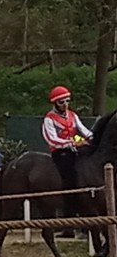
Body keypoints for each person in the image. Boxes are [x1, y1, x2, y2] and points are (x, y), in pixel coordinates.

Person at [42, 85, 93, 231]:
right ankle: (69, 215)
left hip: (75, 149)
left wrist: (93, 139)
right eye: (61, 102)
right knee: (70, 177)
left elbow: (84, 131)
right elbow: (52, 140)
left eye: (67, 101)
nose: (65, 104)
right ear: (55, 103)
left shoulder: (73, 115)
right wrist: (74, 143)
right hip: (60, 152)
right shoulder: (49, 119)